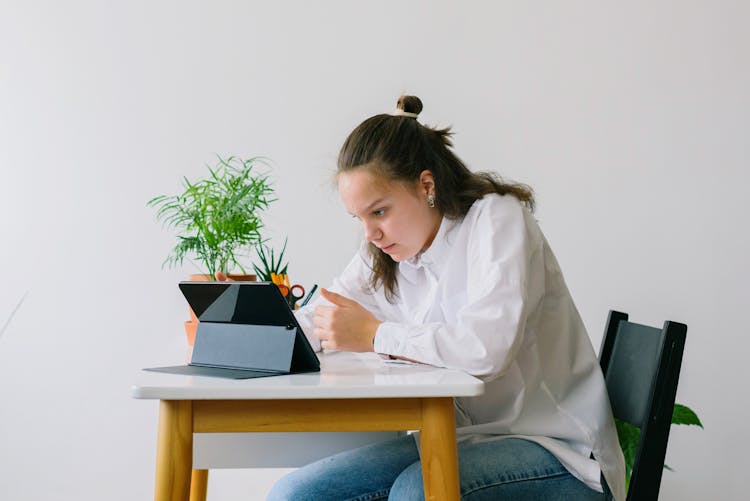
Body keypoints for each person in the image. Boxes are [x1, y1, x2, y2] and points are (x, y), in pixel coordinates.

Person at [264, 95, 626, 500]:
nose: (370, 233)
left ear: (426, 185)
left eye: (379, 211)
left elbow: (486, 351)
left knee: (417, 492)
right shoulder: (390, 251)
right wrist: (256, 337)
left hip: (557, 451)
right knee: (295, 494)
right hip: (460, 439)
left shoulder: (497, 219)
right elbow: (324, 315)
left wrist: (375, 335)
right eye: (359, 218)